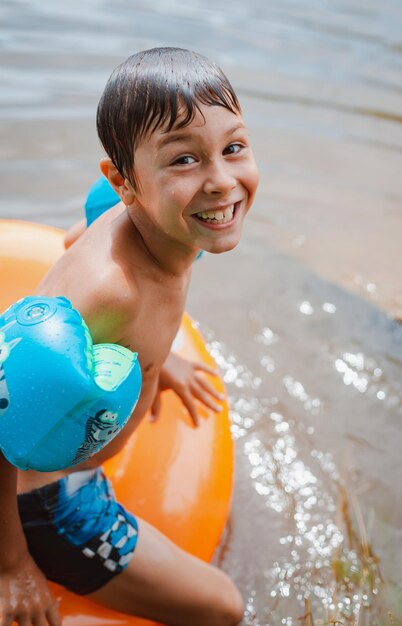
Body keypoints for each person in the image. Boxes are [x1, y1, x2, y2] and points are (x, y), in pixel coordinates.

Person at [0, 47, 259, 626]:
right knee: (224, 608)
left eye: (233, 147)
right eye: (185, 161)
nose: (221, 181)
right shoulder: (109, 293)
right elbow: (1, 418)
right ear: (124, 181)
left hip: (73, 457)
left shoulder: (134, 222)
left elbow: (74, 236)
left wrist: (152, 360)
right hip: (51, 503)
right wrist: (11, 568)